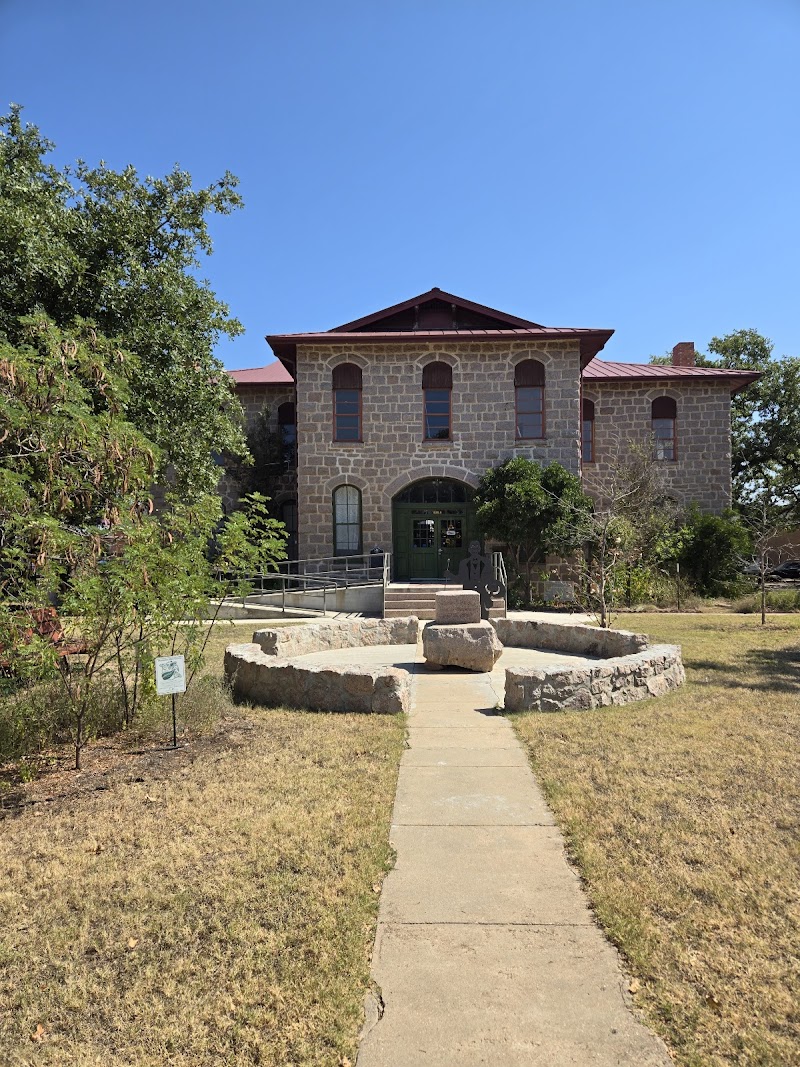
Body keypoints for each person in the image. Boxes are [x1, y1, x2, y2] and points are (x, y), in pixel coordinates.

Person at [445, 540, 505, 619]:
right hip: (468, 589)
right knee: (468, 611)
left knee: (484, 611)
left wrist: (491, 588)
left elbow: (490, 577)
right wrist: (450, 575)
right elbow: (459, 579)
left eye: (476, 548)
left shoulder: (486, 562)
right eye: (473, 548)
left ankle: (484, 621)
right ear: (469, 550)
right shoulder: (463, 563)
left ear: (479, 549)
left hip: (482, 589)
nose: (474, 550)